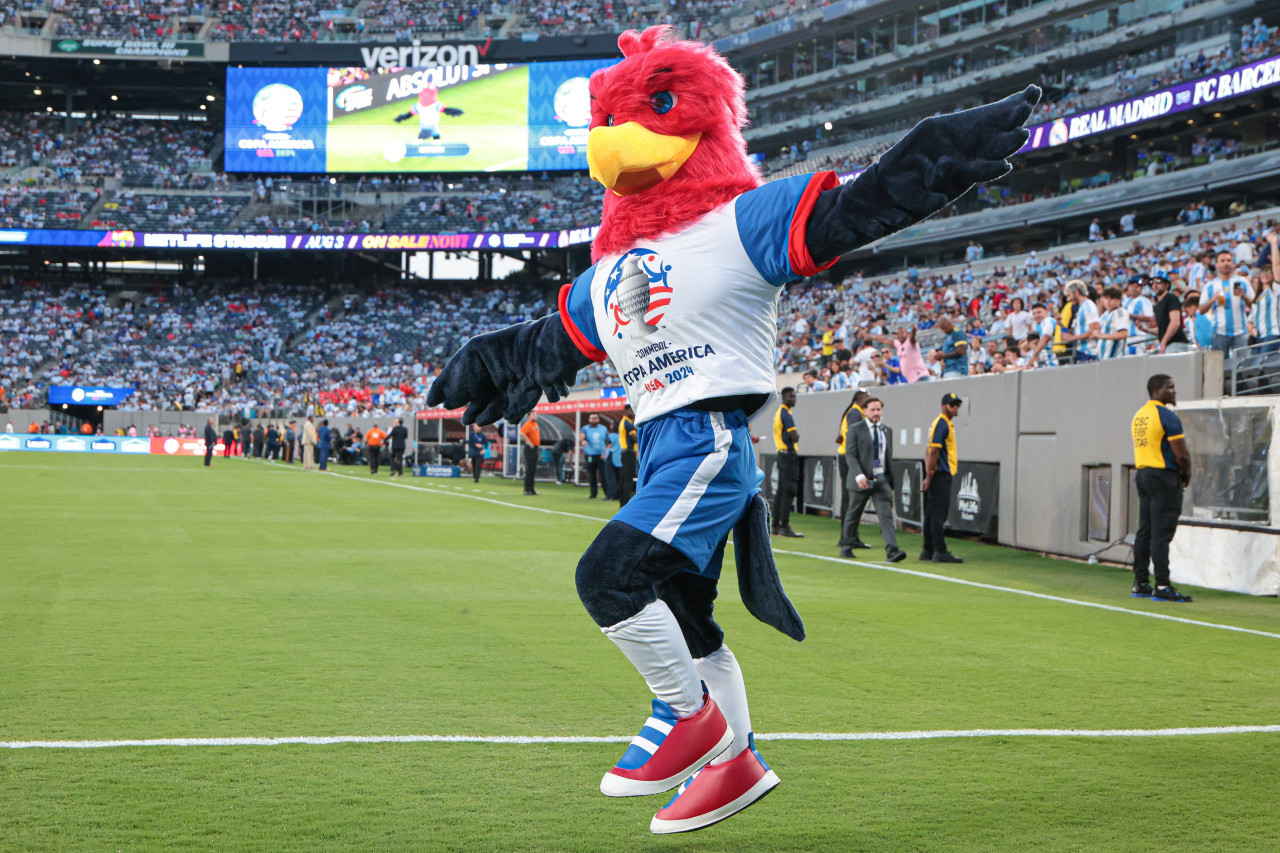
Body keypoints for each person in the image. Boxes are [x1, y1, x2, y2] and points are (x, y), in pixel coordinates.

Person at [1131, 374, 1193, 602]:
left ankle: (1140, 583)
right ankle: (1163, 585)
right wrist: (1186, 475)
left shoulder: (1139, 415)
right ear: (1157, 390)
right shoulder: (1167, 416)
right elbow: (1181, 454)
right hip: (1163, 477)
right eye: (1170, 387)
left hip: (1143, 474)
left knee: (1145, 531)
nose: (1174, 391)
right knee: (1161, 533)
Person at [840, 398, 906, 562]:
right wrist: (859, 475)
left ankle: (892, 550)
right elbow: (850, 454)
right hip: (861, 479)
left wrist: (890, 480)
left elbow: (887, 456)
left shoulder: (887, 430)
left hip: (881, 480)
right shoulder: (855, 429)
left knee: (886, 516)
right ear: (865, 411)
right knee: (854, 514)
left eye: (878, 410)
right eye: (872, 410)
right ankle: (847, 545)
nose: (876, 413)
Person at [922, 393, 963, 563]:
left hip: (937, 472)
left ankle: (928, 549)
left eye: (956, 405)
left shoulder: (941, 423)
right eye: (951, 404)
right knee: (938, 514)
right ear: (943, 406)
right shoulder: (942, 424)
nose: (955, 408)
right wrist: (930, 474)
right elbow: (934, 451)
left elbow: (930, 449)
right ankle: (940, 550)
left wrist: (928, 472)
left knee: (932, 513)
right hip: (940, 473)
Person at [1199, 249, 1253, 356]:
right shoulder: (1210, 285)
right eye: (1222, 260)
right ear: (1217, 264)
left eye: (1228, 260)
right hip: (1219, 333)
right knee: (1220, 367)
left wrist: (1244, 296)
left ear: (1232, 263)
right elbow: (1201, 310)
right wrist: (1212, 300)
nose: (1226, 263)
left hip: (1240, 332)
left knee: (1243, 366)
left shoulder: (1243, 281)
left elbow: (1254, 305)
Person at [835, 390, 869, 548]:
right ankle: (847, 537)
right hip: (849, 458)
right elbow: (853, 437)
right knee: (851, 497)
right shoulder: (855, 413)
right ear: (860, 399)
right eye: (867, 399)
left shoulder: (851, 411)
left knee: (850, 497)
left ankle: (849, 536)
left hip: (845, 456)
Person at [771, 387, 802, 538]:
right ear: (783, 397)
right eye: (791, 396)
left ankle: (775, 525)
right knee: (789, 490)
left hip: (781, 455)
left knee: (781, 490)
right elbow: (794, 436)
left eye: (795, 396)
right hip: (788, 456)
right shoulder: (785, 414)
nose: (794, 399)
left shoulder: (779, 412)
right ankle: (784, 525)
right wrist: (797, 436)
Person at [1146, 275, 1191, 354]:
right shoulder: (1158, 305)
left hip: (1176, 344)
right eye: (1152, 282)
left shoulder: (1171, 298)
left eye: (1158, 282)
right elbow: (1162, 329)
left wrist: (1163, 342)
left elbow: (1175, 323)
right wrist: (1145, 330)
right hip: (1168, 345)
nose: (1155, 285)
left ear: (1167, 285)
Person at [1060, 279, 1101, 362]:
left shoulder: (1088, 306)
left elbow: (1095, 330)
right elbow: (1073, 332)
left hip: (1089, 352)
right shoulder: (1081, 308)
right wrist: (1060, 324)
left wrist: (1073, 338)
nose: (1067, 299)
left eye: (1069, 295)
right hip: (1081, 351)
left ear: (1077, 292)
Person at [1093, 286, 1131, 361]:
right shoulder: (1105, 314)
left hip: (1115, 358)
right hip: (1103, 357)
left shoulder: (1120, 313)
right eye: (1106, 298)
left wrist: (1101, 335)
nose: (1108, 301)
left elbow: (1124, 334)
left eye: (1112, 298)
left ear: (1119, 300)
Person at [580, 412, 609, 498]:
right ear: (589, 419)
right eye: (592, 418)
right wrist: (582, 440)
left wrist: (605, 452)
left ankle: (607, 493)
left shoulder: (603, 429)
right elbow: (581, 436)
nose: (594, 419)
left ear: (598, 419)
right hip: (590, 455)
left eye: (595, 418)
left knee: (603, 475)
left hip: (601, 455)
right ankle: (593, 493)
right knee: (592, 475)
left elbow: (607, 442)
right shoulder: (585, 428)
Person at [617, 404, 637, 507]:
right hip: (629, 453)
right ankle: (625, 503)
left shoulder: (623, 421)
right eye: (632, 410)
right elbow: (635, 438)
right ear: (628, 411)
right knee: (628, 480)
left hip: (625, 453)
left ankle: (622, 503)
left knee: (624, 479)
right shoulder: (627, 423)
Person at [520, 413, 541, 495]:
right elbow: (521, 433)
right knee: (529, 469)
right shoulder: (528, 424)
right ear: (529, 416)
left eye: (536, 415)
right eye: (533, 415)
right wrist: (529, 442)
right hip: (530, 449)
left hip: (535, 448)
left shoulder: (535, 424)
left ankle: (532, 489)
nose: (535, 416)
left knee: (533, 470)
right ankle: (527, 489)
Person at [604, 428, 621, 500]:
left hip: (611, 456)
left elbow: (608, 445)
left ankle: (611, 495)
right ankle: (617, 494)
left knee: (610, 477)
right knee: (618, 477)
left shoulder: (611, 436)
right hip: (620, 458)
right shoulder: (621, 436)